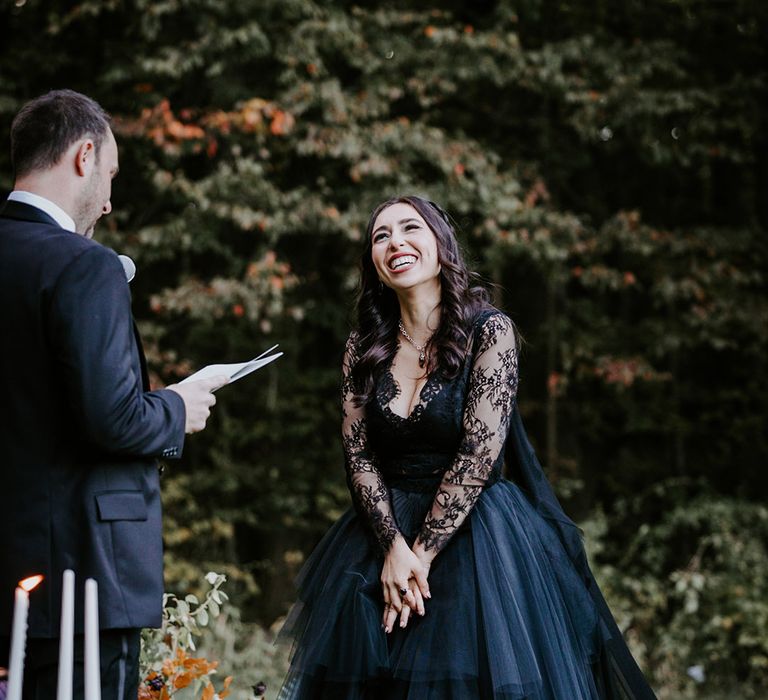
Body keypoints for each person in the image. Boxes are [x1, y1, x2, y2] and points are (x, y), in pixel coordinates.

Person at [278, 195, 657, 699]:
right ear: (373, 260)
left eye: (410, 228)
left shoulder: (489, 331)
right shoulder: (363, 345)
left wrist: (421, 558)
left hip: (478, 539)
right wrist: (393, 550)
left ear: (440, 243)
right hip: (380, 533)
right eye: (381, 235)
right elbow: (358, 453)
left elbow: (479, 451)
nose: (396, 242)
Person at [0, 90, 227, 700]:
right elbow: (113, 419)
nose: (108, 200)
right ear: (84, 154)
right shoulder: (84, 266)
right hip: (82, 575)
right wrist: (180, 406)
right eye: (110, 177)